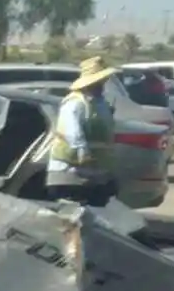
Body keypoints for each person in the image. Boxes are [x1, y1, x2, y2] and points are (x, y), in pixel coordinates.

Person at [46, 55, 120, 206]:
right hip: (70, 173)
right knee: (73, 215)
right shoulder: (75, 103)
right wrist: (82, 151)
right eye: (99, 81)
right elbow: (72, 131)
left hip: (95, 173)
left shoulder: (100, 104)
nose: (103, 85)